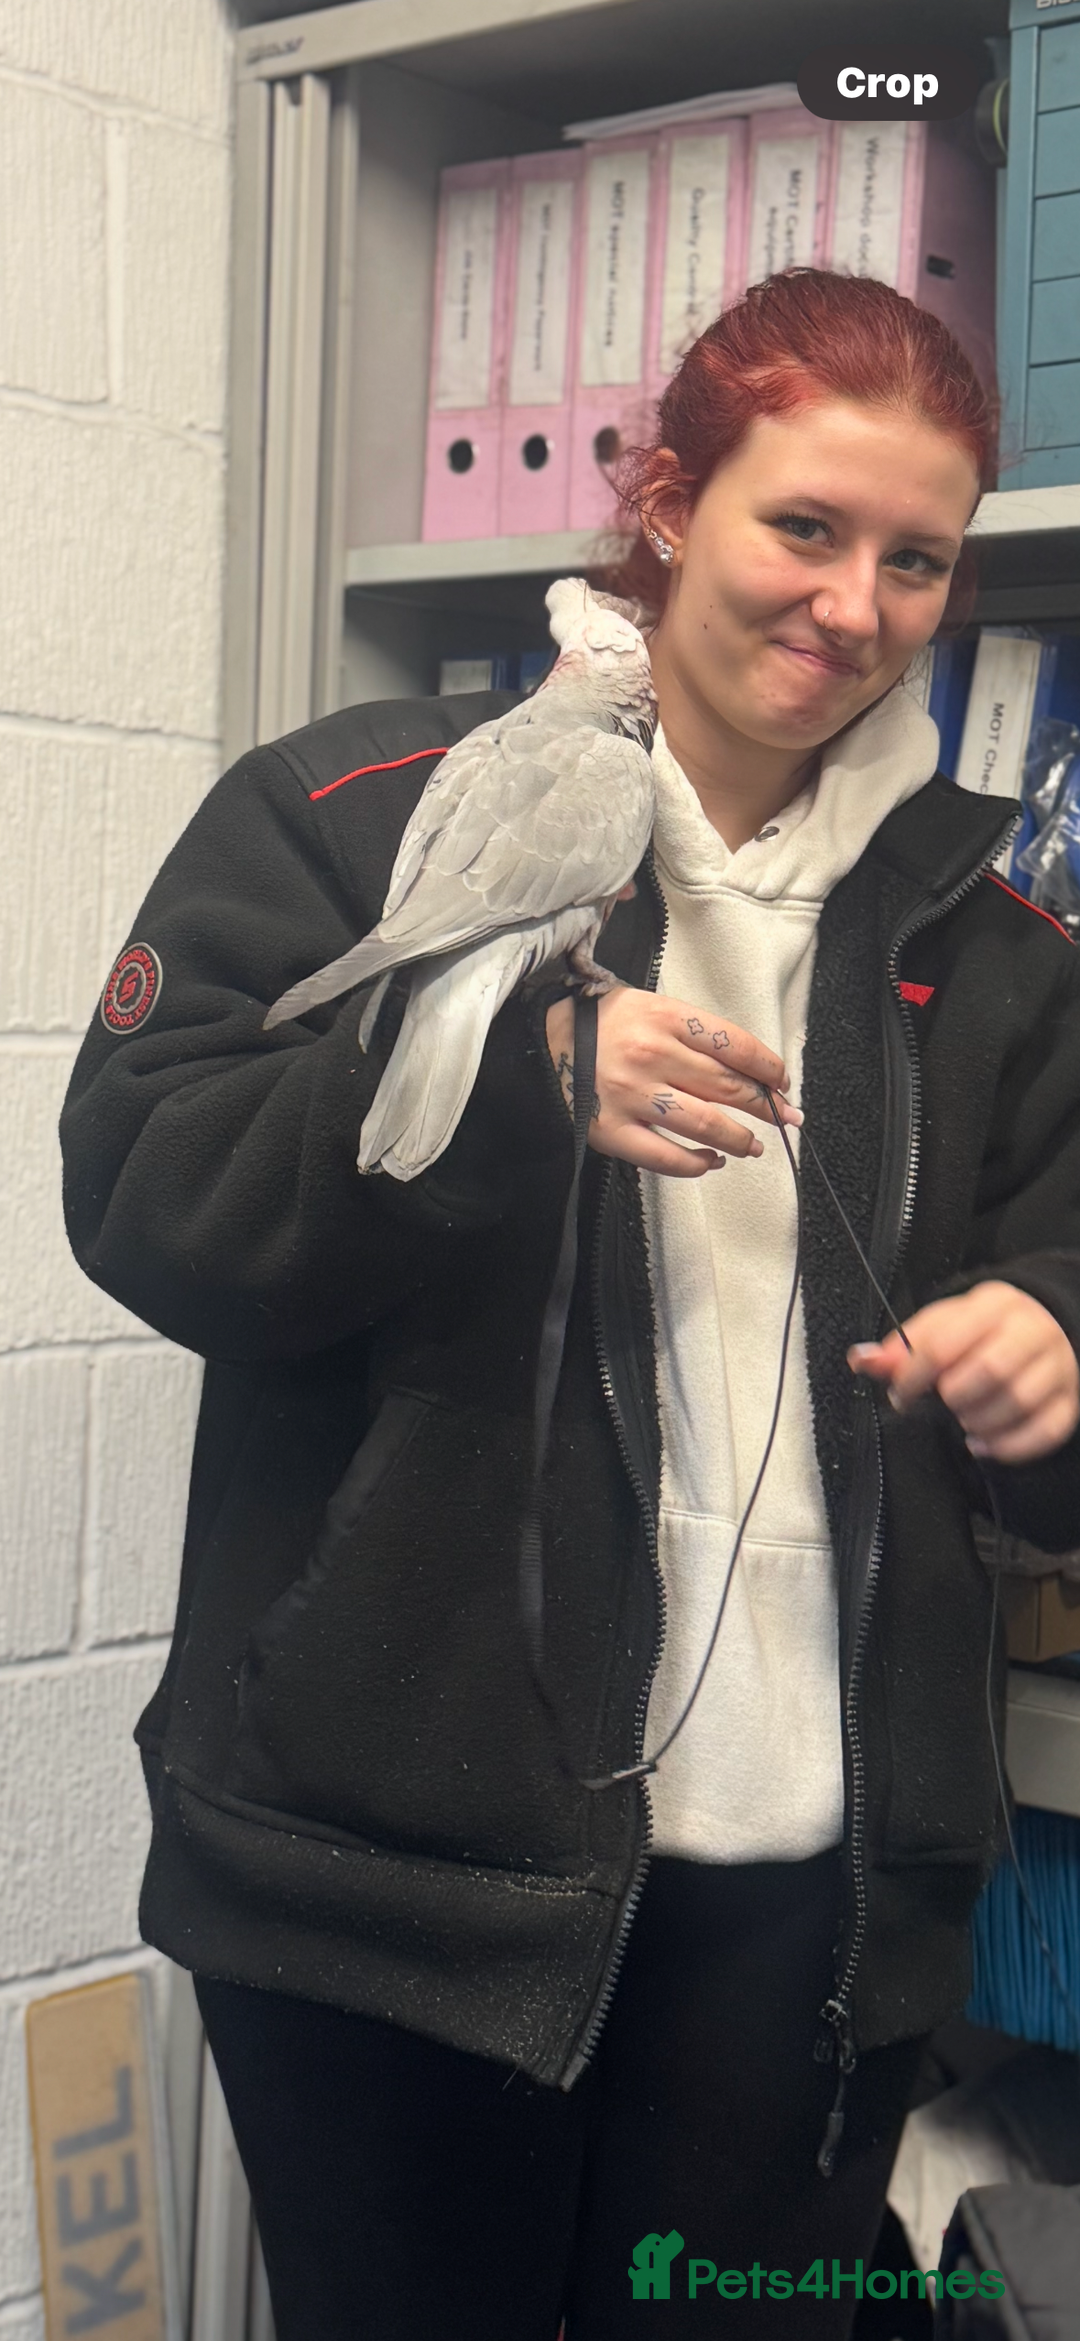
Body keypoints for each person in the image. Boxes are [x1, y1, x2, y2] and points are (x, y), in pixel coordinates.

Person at [60, 270, 1080, 2340]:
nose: (857, 604)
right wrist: (517, 1091)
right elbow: (151, 1194)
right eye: (805, 526)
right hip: (392, 1890)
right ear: (674, 503)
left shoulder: (1000, 932)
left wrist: (1051, 1350)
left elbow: (1064, 1271)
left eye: (918, 559)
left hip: (819, 1919)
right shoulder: (346, 807)